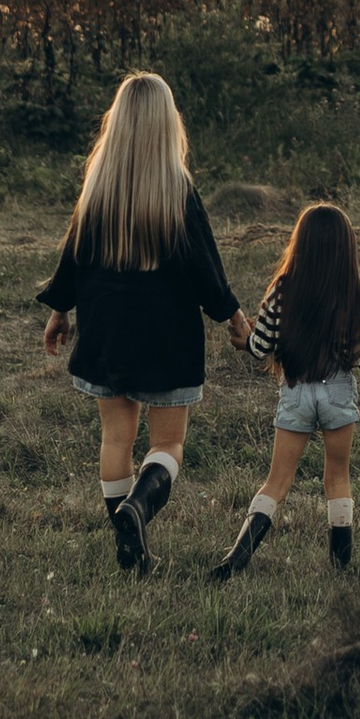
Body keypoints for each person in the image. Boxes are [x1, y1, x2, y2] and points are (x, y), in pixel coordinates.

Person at [37, 72, 249, 572]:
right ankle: (137, 509)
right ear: (166, 124)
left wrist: (59, 310)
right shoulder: (178, 191)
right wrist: (234, 316)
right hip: (166, 338)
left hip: (106, 332)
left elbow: (73, 260)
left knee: (116, 439)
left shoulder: (97, 190)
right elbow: (206, 270)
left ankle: (129, 550)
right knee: (168, 443)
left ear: (117, 123)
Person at [211, 200, 360, 578]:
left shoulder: (282, 289)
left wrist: (244, 341)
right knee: (337, 478)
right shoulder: (351, 294)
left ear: (299, 243)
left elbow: (261, 346)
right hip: (337, 392)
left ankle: (236, 558)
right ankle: (340, 566)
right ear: (345, 248)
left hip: (296, 391)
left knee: (276, 482)